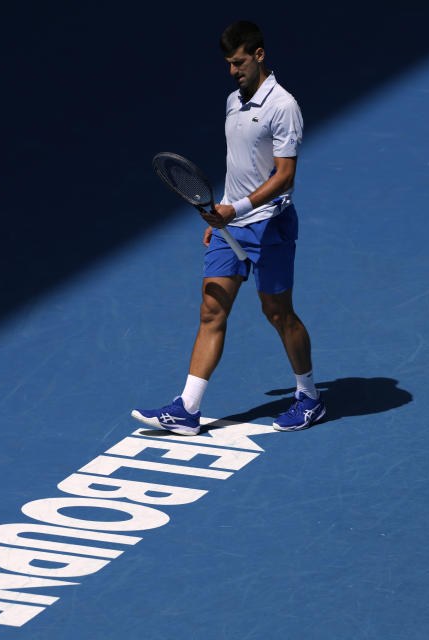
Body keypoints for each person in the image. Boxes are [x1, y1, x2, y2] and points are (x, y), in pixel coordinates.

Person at [132, 20, 326, 434]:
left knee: (278, 313)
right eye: (228, 64)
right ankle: (187, 408)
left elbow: (285, 175)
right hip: (230, 223)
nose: (233, 71)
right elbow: (240, 164)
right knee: (211, 308)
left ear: (259, 55)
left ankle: (309, 396)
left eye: (239, 62)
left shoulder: (283, 106)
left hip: (269, 223)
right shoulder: (231, 101)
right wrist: (220, 212)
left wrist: (234, 209)